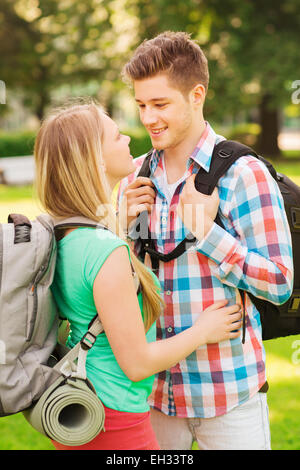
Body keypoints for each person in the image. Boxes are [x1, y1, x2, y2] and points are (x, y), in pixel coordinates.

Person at [118, 31, 294, 450]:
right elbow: (127, 283)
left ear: (197, 95)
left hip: (230, 396)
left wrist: (209, 234)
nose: (148, 118)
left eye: (161, 104)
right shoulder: (136, 176)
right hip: (157, 395)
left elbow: (281, 283)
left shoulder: (244, 173)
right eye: (141, 105)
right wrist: (123, 230)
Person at [34, 100, 242, 451]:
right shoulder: (105, 250)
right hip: (115, 422)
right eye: (116, 136)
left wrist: (125, 229)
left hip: (80, 407)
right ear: (95, 159)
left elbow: (98, 295)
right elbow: (137, 363)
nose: (129, 138)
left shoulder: (67, 234)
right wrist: (203, 331)